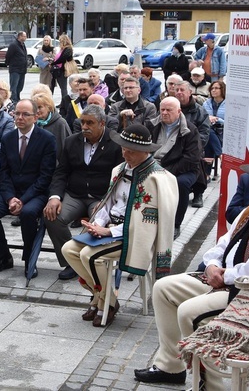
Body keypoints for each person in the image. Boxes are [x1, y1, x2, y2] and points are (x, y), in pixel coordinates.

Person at [134, 153, 249, 389]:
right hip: (231, 283)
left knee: (189, 312)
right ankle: (171, 367)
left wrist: (224, 275)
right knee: (163, 289)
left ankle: (210, 386)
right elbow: (222, 244)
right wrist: (211, 266)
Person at [63, 124, 177, 327]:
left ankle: (104, 303)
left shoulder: (157, 178)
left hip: (133, 236)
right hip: (109, 229)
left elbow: (144, 223)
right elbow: (108, 203)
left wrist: (108, 230)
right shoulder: (119, 169)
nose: (125, 154)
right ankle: (106, 298)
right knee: (69, 249)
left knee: (90, 256)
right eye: (123, 148)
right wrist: (96, 223)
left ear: (145, 151)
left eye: (130, 151)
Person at [44, 105, 124, 280]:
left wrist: (107, 205)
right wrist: (55, 197)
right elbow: (61, 172)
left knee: (97, 224)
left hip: (101, 197)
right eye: (82, 122)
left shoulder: (116, 143)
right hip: (75, 194)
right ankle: (71, 262)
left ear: (102, 123)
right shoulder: (72, 141)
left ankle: (90, 260)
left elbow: (120, 179)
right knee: (52, 216)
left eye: (90, 123)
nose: (84, 127)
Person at [0, 99, 57, 277]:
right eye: (17, 113)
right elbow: (4, 172)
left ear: (36, 117)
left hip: (36, 193)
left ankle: (29, 259)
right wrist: (10, 198)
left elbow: (45, 176)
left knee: (28, 213)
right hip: (12, 191)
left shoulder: (47, 139)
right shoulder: (8, 138)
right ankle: (3, 256)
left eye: (25, 114)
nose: (20, 118)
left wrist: (22, 200)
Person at [149, 97, 201, 238]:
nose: (164, 113)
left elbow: (191, 158)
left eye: (168, 110)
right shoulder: (152, 125)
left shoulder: (190, 130)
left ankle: (175, 224)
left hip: (183, 169)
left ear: (179, 111)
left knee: (181, 184)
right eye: (162, 110)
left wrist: (166, 172)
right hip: (154, 164)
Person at [174, 81, 211, 208]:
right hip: (173, 147)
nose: (178, 92)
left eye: (182, 90)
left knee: (195, 158)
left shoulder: (200, 111)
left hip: (193, 147)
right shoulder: (171, 108)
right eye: (176, 90)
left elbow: (204, 134)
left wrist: (190, 145)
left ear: (190, 92)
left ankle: (198, 192)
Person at [31, 92, 70, 162]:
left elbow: (68, 148)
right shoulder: (31, 123)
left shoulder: (60, 123)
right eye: (35, 108)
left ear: (48, 107)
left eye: (40, 107)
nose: (37, 111)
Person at [203, 80, 225, 166]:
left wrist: (217, 119)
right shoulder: (206, 103)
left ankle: (207, 174)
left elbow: (231, 122)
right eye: (212, 88)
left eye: (216, 88)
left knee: (208, 138)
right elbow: (201, 118)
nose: (213, 90)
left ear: (222, 90)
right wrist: (208, 118)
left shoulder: (228, 103)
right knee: (208, 132)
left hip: (222, 132)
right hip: (209, 131)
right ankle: (220, 155)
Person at [50, 34, 74, 104]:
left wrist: (53, 63)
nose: (59, 42)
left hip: (62, 70)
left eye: (60, 41)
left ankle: (65, 103)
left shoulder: (68, 49)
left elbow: (62, 59)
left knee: (63, 88)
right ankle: (60, 102)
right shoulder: (61, 49)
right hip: (57, 70)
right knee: (53, 86)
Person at [5, 31, 27, 102]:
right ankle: (13, 100)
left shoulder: (23, 45)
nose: (25, 38)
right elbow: (8, 56)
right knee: (14, 86)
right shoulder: (13, 45)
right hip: (15, 69)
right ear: (20, 36)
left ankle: (17, 98)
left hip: (22, 70)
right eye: (24, 36)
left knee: (20, 86)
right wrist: (8, 64)